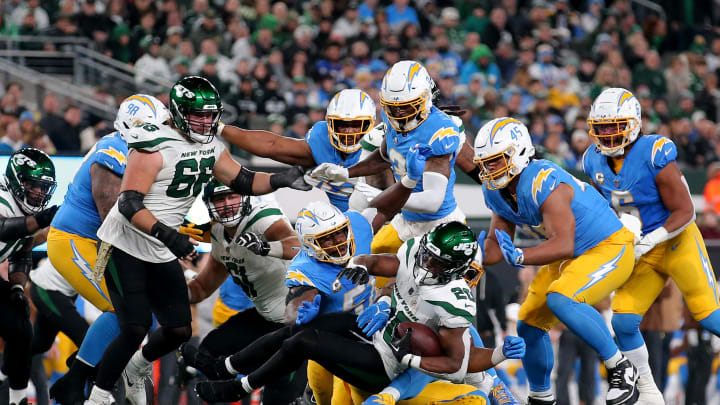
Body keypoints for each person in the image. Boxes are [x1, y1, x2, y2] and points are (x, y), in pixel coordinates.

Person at [83, 76, 310, 405]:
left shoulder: (211, 144)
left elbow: (242, 179)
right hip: (126, 242)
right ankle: (98, 396)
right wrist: (170, 235)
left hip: (161, 247)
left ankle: (136, 368)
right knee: (134, 327)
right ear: (176, 112)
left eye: (210, 114)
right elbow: (128, 202)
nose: (206, 121)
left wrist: (282, 178)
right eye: (197, 114)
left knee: (179, 330)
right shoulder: (152, 142)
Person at [188, 221, 525, 404]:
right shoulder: (416, 254)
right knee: (298, 330)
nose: (426, 264)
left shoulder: (453, 303)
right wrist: (361, 266)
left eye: (437, 262)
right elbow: (383, 263)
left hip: (391, 364)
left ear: (456, 269)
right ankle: (225, 367)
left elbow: (457, 363)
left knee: (304, 341)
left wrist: (495, 355)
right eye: (427, 254)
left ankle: (239, 388)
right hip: (375, 331)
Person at [474, 117, 638, 405]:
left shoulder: (542, 179)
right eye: (485, 163)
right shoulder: (496, 191)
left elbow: (564, 243)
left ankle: (620, 368)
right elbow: (496, 247)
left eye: (496, 161)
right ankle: (541, 396)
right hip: (573, 254)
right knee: (527, 325)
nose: (489, 170)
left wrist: (523, 255)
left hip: (608, 246)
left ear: (519, 153)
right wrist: (473, 256)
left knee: (561, 299)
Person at [582, 87, 720, 404]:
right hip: (641, 246)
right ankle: (648, 391)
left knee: (709, 315)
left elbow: (687, 211)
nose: (607, 133)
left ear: (634, 123)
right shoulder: (592, 161)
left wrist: (652, 239)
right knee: (623, 321)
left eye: (615, 125)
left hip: (675, 240)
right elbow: (602, 209)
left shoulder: (653, 152)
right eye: (601, 127)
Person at [46, 94, 171, 405]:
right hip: (76, 239)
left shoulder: (141, 152)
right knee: (125, 313)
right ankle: (77, 379)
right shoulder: (113, 149)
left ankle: (95, 372)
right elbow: (109, 212)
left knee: (145, 315)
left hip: (100, 241)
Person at [309, 61, 467, 254]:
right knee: (371, 255)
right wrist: (346, 172)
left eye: (407, 107)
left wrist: (383, 196)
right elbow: (384, 157)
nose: (399, 114)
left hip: (440, 224)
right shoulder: (390, 117)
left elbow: (432, 202)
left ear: (425, 100)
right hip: (407, 220)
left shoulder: (438, 132)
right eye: (393, 107)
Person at [182, 178, 306, 404]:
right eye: (220, 199)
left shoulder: (261, 219)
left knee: (281, 395)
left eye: (233, 196)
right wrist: (166, 291)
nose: (228, 204)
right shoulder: (218, 234)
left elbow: (297, 244)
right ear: (209, 204)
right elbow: (201, 288)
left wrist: (266, 247)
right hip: (264, 318)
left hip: (296, 321)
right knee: (210, 351)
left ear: (245, 198)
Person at [219, 88, 376, 212]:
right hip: (344, 225)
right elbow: (272, 145)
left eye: (356, 125)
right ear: (330, 125)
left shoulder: (381, 146)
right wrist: (220, 129)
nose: (349, 132)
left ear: (371, 124)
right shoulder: (322, 142)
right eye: (342, 125)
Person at [0, 148, 59, 405]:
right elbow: (2, 229)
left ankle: (16, 398)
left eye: (43, 187)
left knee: (22, 330)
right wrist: (38, 221)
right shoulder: (3, 197)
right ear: (15, 180)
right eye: (32, 185)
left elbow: (21, 251)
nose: (38, 193)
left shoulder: (26, 213)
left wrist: (16, 287)